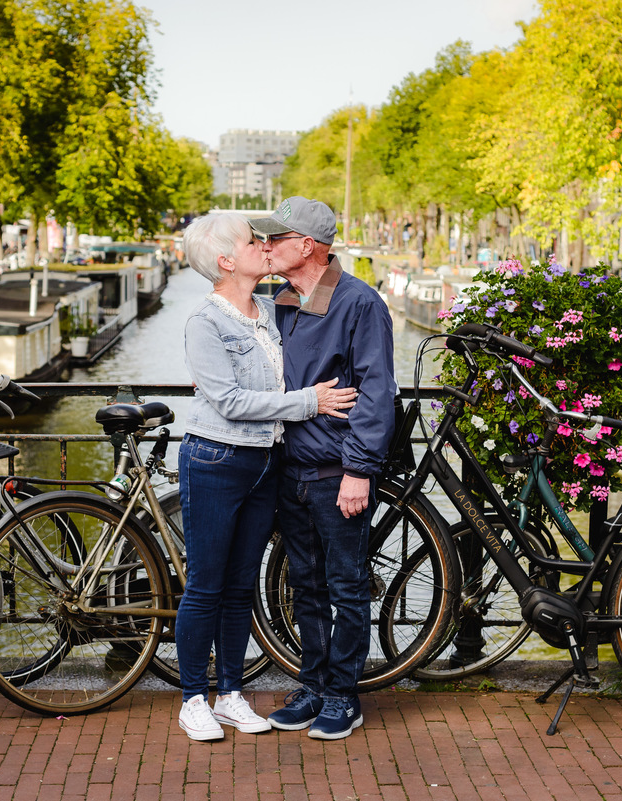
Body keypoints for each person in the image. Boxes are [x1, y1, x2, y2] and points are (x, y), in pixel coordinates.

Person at [175, 212, 358, 742]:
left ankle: (230, 694)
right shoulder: (204, 322)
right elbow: (229, 400)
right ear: (227, 260)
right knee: (205, 586)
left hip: (266, 461)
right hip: (216, 460)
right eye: (253, 241)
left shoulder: (271, 310)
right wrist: (310, 402)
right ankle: (192, 699)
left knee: (240, 588)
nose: (264, 245)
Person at [251, 197, 397, 740]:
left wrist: (359, 470)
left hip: (337, 470)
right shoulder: (282, 301)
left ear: (306, 245)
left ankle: (342, 695)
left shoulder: (360, 302)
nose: (266, 246)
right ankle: (313, 684)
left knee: (347, 585)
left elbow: (378, 390)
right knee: (305, 586)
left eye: (275, 237)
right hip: (291, 467)